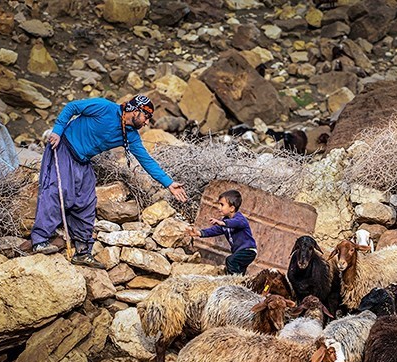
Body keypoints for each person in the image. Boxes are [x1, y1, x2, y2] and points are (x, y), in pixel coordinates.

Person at [30, 94, 188, 268]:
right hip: (63, 148)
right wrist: (58, 131)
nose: (146, 123)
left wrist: (169, 183)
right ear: (135, 111)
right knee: (57, 191)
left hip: (83, 161)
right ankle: (40, 241)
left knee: (86, 201)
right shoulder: (104, 107)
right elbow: (73, 107)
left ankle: (82, 252)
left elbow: (146, 160)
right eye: (146, 117)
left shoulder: (130, 135)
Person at [188, 189, 258, 275]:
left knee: (230, 260)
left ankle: (233, 281)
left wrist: (223, 223)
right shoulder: (225, 222)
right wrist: (200, 233)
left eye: (222, 205)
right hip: (239, 252)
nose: (219, 207)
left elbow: (235, 223)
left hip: (248, 250)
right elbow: (214, 230)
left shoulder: (240, 219)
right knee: (239, 270)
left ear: (232, 208)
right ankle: (240, 283)